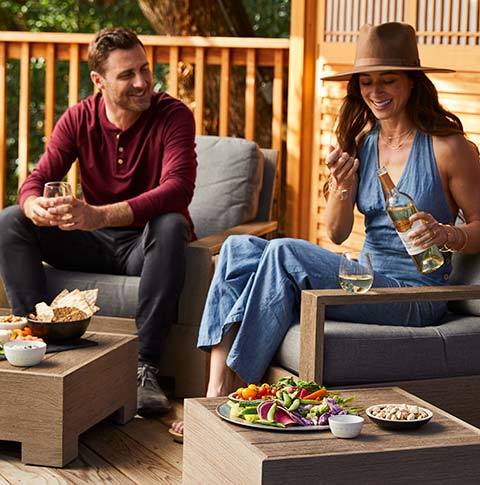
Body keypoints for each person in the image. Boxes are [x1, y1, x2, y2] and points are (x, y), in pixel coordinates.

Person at [169, 21, 480, 440]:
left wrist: (447, 234)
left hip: (414, 295)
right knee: (239, 247)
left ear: (412, 81)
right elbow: (335, 232)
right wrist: (342, 185)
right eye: (366, 81)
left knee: (284, 253)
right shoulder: (365, 142)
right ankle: (213, 392)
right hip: (367, 280)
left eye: (388, 79)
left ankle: (237, 394)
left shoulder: (448, 147)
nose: (375, 90)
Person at [0, 27, 197, 416]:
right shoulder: (79, 118)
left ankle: (144, 366)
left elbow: (178, 189)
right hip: (91, 243)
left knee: (171, 223)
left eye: (145, 68)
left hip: (145, 246)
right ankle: (42, 344)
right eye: (127, 74)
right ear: (98, 80)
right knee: (10, 220)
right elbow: (37, 179)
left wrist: (99, 215)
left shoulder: (173, 115)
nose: (142, 82)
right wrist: (33, 204)